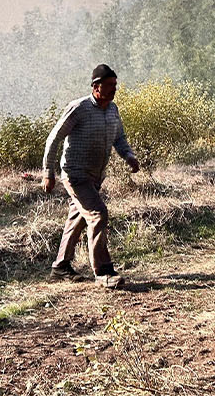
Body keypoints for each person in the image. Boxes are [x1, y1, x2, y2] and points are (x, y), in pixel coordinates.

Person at [40, 64, 140, 289]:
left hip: (95, 177)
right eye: (110, 85)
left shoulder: (112, 110)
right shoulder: (79, 108)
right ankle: (103, 273)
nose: (114, 89)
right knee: (98, 214)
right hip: (75, 175)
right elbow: (53, 139)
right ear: (96, 87)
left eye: (115, 85)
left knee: (77, 219)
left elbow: (119, 138)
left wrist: (129, 156)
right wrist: (48, 173)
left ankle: (60, 267)